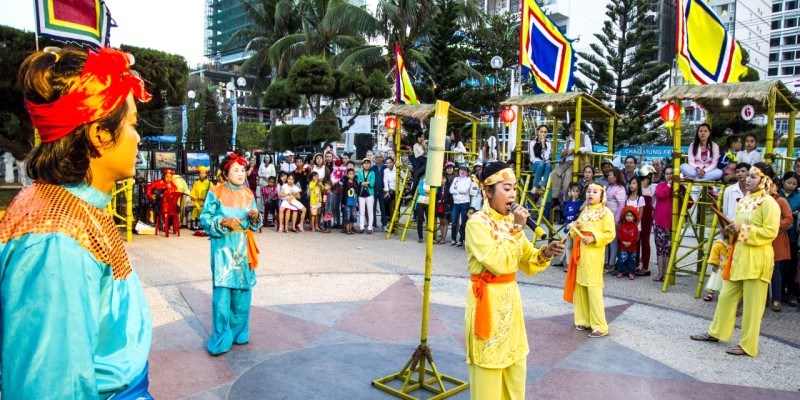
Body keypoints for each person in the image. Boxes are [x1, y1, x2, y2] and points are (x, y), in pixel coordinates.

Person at [0, 46, 154, 398]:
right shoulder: (57, 239)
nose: (138, 137)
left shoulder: (73, 205)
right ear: (100, 133)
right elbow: (50, 387)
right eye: (132, 124)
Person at [464, 161, 564, 398]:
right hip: (487, 302)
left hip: (511, 304)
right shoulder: (477, 223)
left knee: (515, 368)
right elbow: (498, 263)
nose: (512, 194)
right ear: (488, 192)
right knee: (488, 371)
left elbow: (527, 260)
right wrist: (517, 229)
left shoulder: (511, 222)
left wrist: (546, 252)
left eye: (514, 189)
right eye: (506, 188)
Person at [691, 162, 780, 357]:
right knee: (726, 296)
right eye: (748, 175)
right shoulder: (745, 200)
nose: (748, 179)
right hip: (738, 256)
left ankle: (748, 345)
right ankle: (716, 332)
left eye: (753, 177)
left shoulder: (769, 203)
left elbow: (771, 232)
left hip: (757, 259)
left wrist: (743, 229)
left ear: (765, 180)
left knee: (752, 306)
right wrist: (731, 230)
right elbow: (738, 228)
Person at [200, 151, 262, 356]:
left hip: (244, 247)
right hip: (224, 247)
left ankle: (239, 333)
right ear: (226, 174)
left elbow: (255, 223)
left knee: (243, 293)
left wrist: (254, 216)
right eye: (235, 170)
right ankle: (221, 337)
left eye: (243, 170)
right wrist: (222, 222)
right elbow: (205, 219)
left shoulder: (248, 194)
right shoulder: (215, 191)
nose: (240, 173)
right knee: (222, 295)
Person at [564, 183, 616, 338]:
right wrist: (574, 227)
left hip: (593, 254)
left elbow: (610, 234)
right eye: (588, 191)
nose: (590, 194)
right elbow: (576, 232)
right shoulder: (585, 211)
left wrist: (593, 238)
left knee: (593, 287)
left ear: (602, 195)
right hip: (580, 253)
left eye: (595, 192)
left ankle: (600, 325)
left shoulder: (606, 213)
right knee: (580, 286)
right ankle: (583, 320)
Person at [550, 121, 592, 204]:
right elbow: (565, 151)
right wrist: (564, 153)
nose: (575, 127)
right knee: (554, 173)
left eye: (577, 126)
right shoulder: (568, 139)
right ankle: (555, 198)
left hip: (579, 163)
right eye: (573, 126)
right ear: (569, 128)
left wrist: (576, 150)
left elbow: (589, 149)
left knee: (568, 174)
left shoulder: (584, 137)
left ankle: (566, 200)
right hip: (568, 162)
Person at [769, 176, 793, 312]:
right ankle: (763, 299)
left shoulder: (781, 200)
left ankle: (777, 299)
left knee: (776, 271)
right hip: (761, 238)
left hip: (776, 239)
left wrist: (772, 227)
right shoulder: (758, 199)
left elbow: (789, 219)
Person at [778, 172, 800, 307]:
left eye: (794, 184)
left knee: (792, 267)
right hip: (778, 235)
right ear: (783, 181)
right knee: (779, 268)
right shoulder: (776, 195)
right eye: (789, 183)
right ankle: (778, 295)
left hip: (792, 236)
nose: (791, 186)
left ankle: (791, 293)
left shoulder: (798, 197)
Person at [553, 183, 584, 267]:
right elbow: (564, 212)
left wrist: (573, 212)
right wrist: (573, 213)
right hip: (568, 226)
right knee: (568, 246)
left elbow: (578, 210)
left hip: (576, 228)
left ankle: (573, 263)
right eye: (573, 191)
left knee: (574, 246)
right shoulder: (569, 202)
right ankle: (568, 264)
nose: (574, 193)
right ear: (570, 192)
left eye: (577, 191)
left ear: (580, 193)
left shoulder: (581, 202)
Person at [653, 166, 674, 282]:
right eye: (667, 174)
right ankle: (661, 273)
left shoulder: (678, 187)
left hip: (671, 223)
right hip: (660, 222)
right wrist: (669, 185)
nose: (669, 176)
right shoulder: (661, 185)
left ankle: (667, 273)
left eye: (671, 173)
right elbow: (661, 195)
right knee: (660, 249)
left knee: (668, 249)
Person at [604, 168, 626, 273]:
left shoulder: (620, 189)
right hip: (607, 218)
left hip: (614, 219)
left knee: (613, 243)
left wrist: (616, 220)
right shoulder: (610, 187)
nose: (608, 177)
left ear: (616, 177)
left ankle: (611, 263)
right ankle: (606, 262)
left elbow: (621, 206)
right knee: (606, 241)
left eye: (610, 175)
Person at [636, 166, 655, 276]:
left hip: (647, 218)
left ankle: (645, 266)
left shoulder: (652, 188)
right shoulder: (638, 187)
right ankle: (637, 265)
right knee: (638, 241)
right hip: (639, 216)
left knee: (645, 241)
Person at [703, 233, 732, 302]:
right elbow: (714, 256)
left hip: (729, 267)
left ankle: (723, 295)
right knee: (714, 280)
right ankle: (710, 293)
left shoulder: (734, 245)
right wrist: (714, 264)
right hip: (719, 266)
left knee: (725, 282)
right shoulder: (718, 245)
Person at [450, 164, 472, 246]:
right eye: (461, 170)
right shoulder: (455, 179)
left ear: (467, 172)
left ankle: (461, 239)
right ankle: (453, 239)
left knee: (463, 221)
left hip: (464, 202)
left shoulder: (469, 179)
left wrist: (456, 189)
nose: (462, 171)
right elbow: (451, 190)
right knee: (454, 221)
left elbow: (465, 190)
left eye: (464, 170)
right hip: (456, 202)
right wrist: (458, 190)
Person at [616, 206, 640, 280]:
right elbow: (619, 235)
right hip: (623, 247)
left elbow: (636, 236)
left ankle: (631, 273)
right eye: (627, 215)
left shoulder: (635, 227)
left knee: (632, 260)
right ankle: (620, 271)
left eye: (631, 216)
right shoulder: (622, 226)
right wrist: (623, 242)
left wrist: (631, 242)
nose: (629, 217)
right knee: (622, 260)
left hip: (632, 247)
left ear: (634, 217)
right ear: (624, 216)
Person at [529, 125, 552, 190]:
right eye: (541, 132)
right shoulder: (532, 142)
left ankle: (543, 185)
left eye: (545, 132)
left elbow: (546, 157)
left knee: (548, 165)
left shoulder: (548, 143)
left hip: (544, 164)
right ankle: (535, 186)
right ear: (538, 132)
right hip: (535, 164)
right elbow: (532, 158)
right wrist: (542, 161)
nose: (543, 134)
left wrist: (543, 145)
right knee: (542, 163)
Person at [357, 158, 376, 234]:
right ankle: (361, 227)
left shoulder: (372, 173)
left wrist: (363, 183)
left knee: (370, 211)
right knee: (361, 211)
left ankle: (370, 227)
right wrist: (366, 183)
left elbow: (372, 183)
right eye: (365, 163)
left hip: (369, 194)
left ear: (370, 164)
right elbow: (358, 182)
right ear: (362, 165)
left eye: (368, 163)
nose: (366, 164)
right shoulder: (360, 172)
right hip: (361, 194)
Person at [343, 168, 359, 234]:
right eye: (350, 174)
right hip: (347, 201)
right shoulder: (346, 183)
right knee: (347, 214)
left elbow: (357, 192)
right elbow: (343, 193)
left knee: (353, 214)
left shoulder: (355, 182)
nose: (351, 175)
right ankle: (347, 228)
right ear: (347, 175)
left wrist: (357, 201)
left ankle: (351, 228)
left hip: (353, 201)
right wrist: (343, 202)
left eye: (353, 174)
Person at [383, 156, 397, 231]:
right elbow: (385, 181)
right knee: (386, 199)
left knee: (395, 208)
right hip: (390, 190)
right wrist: (387, 191)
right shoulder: (386, 170)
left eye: (390, 162)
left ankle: (395, 223)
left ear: (393, 162)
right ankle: (388, 219)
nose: (389, 164)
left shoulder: (397, 169)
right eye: (387, 163)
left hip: (398, 190)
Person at [414, 176, 430, 243]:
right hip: (420, 201)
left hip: (429, 202)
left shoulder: (434, 180)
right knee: (420, 219)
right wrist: (427, 193)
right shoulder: (422, 180)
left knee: (429, 220)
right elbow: (420, 190)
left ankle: (431, 236)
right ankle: (420, 236)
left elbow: (436, 191)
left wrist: (427, 192)